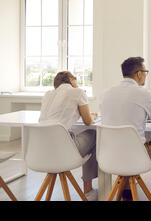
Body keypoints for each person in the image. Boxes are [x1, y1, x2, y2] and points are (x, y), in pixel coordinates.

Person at [101, 57, 151, 200]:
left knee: (124, 144)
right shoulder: (143, 93)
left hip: (108, 157)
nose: (146, 75)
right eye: (145, 72)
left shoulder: (106, 93)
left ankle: (126, 190)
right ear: (138, 74)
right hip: (137, 157)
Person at [39, 71, 98, 200]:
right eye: (75, 79)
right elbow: (88, 121)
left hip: (40, 153)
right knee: (95, 133)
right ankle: (88, 190)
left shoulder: (47, 94)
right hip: (63, 152)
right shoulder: (78, 92)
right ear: (70, 79)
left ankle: (89, 190)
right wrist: (92, 115)